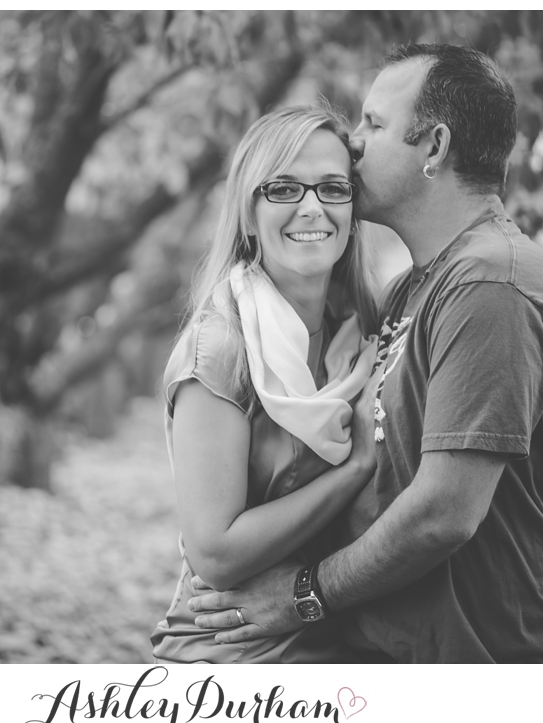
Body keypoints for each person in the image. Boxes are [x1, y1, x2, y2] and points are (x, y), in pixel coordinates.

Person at [188, 43, 543, 663]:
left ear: (434, 148)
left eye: (374, 124)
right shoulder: (414, 288)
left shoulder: (490, 285)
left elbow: (444, 513)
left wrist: (305, 594)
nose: (353, 143)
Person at [150, 105, 381, 663]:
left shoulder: (361, 333)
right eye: (283, 188)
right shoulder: (221, 348)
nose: (311, 207)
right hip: (232, 655)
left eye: (332, 188)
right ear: (249, 214)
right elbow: (217, 552)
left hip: (337, 639)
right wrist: (354, 467)